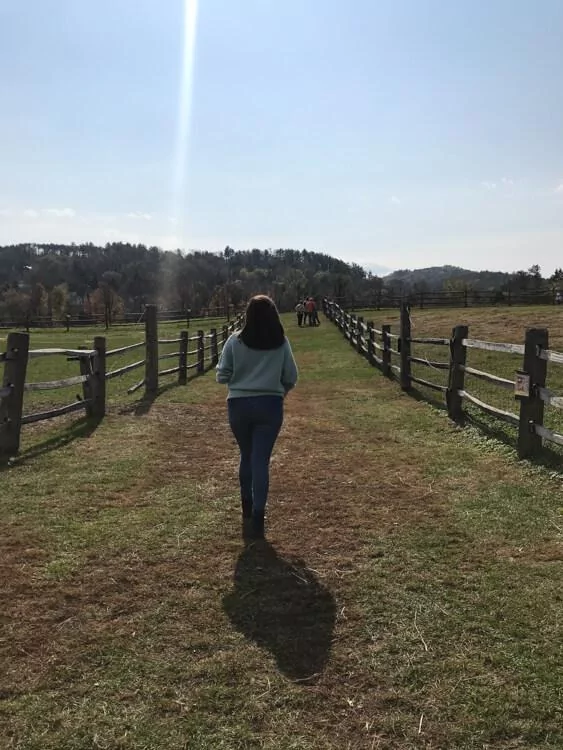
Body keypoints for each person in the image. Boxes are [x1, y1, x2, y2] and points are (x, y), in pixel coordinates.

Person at [216, 295, 298, 539]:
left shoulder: (234, 341)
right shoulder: (281, 343)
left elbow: (222, 375)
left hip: (238, 405)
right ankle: (259, 518)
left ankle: (246, 507)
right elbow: (291, 377)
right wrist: (279, 391)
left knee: (246, 455)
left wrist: (238, 379)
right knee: (261, 460)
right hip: (270, 405)